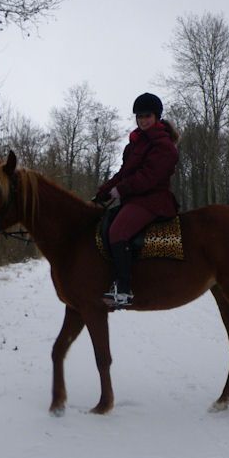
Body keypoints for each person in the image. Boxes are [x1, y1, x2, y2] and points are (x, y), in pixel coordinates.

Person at [94, 92, 179, 307]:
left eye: (147, 116)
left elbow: (148, 177)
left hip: (154, 200)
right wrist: (104, 191)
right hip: (135, 199)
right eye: (139, 116)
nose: (143, 120)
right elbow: (123, 173)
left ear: (156, 116)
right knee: (105, 223)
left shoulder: (164, 145)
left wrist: (120, 191)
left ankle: (124, 289)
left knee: (118, 231)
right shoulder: (134, 145)